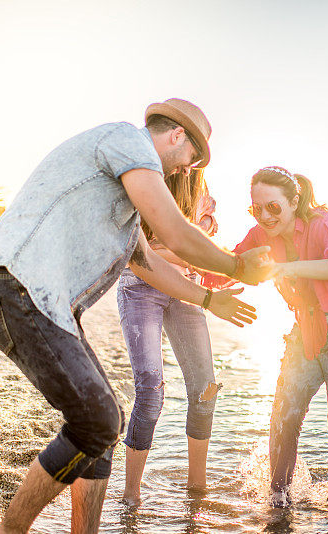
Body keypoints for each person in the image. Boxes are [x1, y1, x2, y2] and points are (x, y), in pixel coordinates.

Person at [0, 98, 272, 533]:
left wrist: (206, 299)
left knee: (106, 428)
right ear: (176, 135)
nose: (189, 169)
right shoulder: (127, 141)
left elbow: (147, 263)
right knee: (97, 420)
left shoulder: (126, 196)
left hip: (35, 300)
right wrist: (237, 267)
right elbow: (174, 231)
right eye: (192, 157)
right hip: (15, 285)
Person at [205, 166, 328, 507]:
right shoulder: (260, 234)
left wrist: (287, 268)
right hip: (306, 334)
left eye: (274, 207)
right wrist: (186, 260)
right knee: (283, 420)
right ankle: (278, 505)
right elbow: (231, 265)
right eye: (257, 209)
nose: (266, 216)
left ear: (294, 201)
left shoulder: (323, 223)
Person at [117, 168, 220, 505]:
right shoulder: (147, 183)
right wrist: (190, 248)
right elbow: (134, 253)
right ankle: (131, 496)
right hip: (140, 288)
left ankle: (197, 491)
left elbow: (202, 248)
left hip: (186, 290)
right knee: (150, 391)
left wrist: (174, 247)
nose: (189, 165)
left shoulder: (202, 193)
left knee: (205, 391)